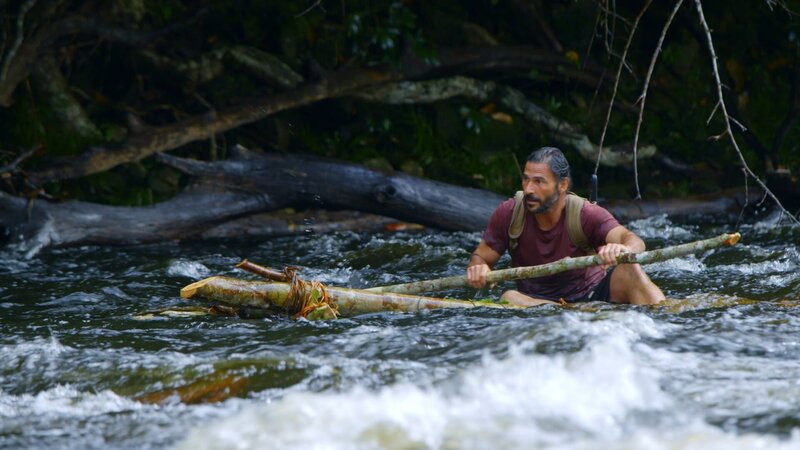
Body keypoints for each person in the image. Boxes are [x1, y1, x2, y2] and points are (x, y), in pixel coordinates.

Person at [466, 147, 664, 306]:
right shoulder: (509, 213)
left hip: (593, 297)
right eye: (526, 179)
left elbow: (634, 241)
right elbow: (481, 257)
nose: (528, 189)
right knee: (510, 297)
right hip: (535, 303)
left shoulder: (586, 214)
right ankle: (570, 316)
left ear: (562, 185)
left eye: (539, 182)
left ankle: (665, 322)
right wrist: (478, 268)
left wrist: (623, 249)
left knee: (631, 269)